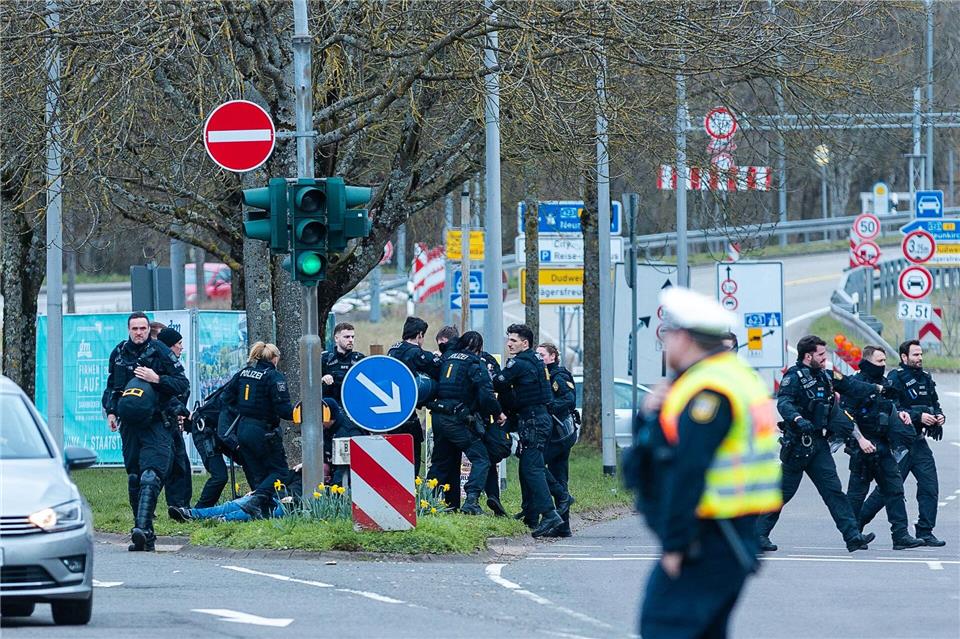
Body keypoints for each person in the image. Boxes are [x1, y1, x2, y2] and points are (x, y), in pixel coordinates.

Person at [631, 287, 782, 639]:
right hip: (730, 533)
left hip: (708, 537)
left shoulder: (709, 391)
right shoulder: (734, 376)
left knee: (663, 628)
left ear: (684, 338)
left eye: (667, 335)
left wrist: (675, 545)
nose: (665, 344)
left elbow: (688, 470)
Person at [755, 335, 878, 553]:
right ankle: (758, 535)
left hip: (819, 445)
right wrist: (797, 419)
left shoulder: (827, 376)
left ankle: (853, 537)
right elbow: (784, 402)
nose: (825, 358)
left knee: (834, 491)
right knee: (783, 493)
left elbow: (852, 386)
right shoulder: (793, 378)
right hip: (799, 445)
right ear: (808, 355)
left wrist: (877, 389)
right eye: (821, 354)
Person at [103, 311, 189, 551]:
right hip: (129, 424)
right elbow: (112, 387)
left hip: (156, 421)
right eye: (135, 329)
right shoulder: (119, 353)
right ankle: (144, 535)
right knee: (134, 476)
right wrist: (111, 411)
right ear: (128, 330)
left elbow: (182, 384)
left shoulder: (161, 351)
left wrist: (157, 378)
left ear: (148, 329)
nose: (139, 333)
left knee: (151, 474)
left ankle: (142, 529)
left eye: (143, 328)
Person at [860, 340, 947, 547]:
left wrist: (939, 416)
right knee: (887, 490)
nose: (920, 358)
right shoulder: (895, 378)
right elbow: (893, 407)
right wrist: (918, 416)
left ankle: (925, 531)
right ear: (904, 357)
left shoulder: (926, 378)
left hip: (920, 442)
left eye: (920, 354)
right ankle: (855, 524)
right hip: (899, 444)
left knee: (929, 486)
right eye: (915, 355)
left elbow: (934, 404)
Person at [842, 345, 923, 550]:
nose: (883, 365)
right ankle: (853, 534)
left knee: (894, 489)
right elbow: (846, 415)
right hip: (863, 446)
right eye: (879, 361)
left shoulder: (886, 384)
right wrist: (860, 440)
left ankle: (901, 535)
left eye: (885, 361)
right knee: (856, 494)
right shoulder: (855, 384)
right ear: (868, 361)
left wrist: (902, 413)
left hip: (884, 445)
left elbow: (894, 404)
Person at [493, 323, 563, 538]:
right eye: (508, 340)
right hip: (537, 419)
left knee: (531, 468)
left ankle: (550, 514)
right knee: (532, 466)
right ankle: (547, 505)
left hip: (533, 421)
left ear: (525, 343)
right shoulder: (535, 359)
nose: (509, 344)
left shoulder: (519, 363)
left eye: (513, 340)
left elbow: (498, 382)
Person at [427, 331, 505, 514]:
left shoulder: (446, 358)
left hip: (438, 416)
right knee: (481, 458)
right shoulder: (474, 363)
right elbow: (486, 394)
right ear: (479, 348)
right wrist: (498, 413)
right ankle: (471, 500)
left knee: (441, 461)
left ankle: (428, 502)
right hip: (456, 419)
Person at [220, 341, 295, 518]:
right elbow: (284, 409)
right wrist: (300, 413)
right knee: (280, 471)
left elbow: (225, 397)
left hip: (243, 430)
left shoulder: (243, 373)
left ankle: (262, 512)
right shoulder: (273, 377)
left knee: (259, 474)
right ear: (274, 358)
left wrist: (244, 408)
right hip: (264, 431)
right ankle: (255, 501)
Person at [388, 316, 441, 476]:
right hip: (406, 412)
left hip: (389, 412)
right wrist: (437, 357)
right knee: (412, 452)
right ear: (419, 335)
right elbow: (435, 368)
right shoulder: (415, 353)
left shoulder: (394, 348)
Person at [536, 342, 578, 537]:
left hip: (559, 435)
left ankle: (563, 499)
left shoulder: (557, 376)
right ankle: (563, 526)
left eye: (542, 355)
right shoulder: (544, 375)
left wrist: (549, 406)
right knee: (559, 475)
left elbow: (569, 399)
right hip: (555, 435)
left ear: (553, 357)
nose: (539, 358)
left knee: (535, 466)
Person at [171, 466, 303, 522]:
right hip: (270, 496)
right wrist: (259, 492)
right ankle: (191, 514)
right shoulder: (300, 472)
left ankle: (221, 519)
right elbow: (280, 478)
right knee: (233, 504)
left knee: (255, 511)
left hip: (286, 504)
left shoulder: (322, 485)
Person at [155, 327, 193, 510]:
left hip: (174, 424)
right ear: (170, 347)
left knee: (180, 464)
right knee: (163, 466)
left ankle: (179, 506)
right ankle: (146, 507)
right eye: (179, 344)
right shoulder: (158, 369)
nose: (181, 348)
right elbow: (164, 397)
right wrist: (183, 412)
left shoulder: (174, 369)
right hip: (162, 425)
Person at [322, 323, 364, 403]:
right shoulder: (325, 359)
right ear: (336, 339)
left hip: (354, 404)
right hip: (331, 408)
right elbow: (312, 386)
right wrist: (323, 379)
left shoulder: (360, 359)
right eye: (347, 337)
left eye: (352, 337)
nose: (351, 340)